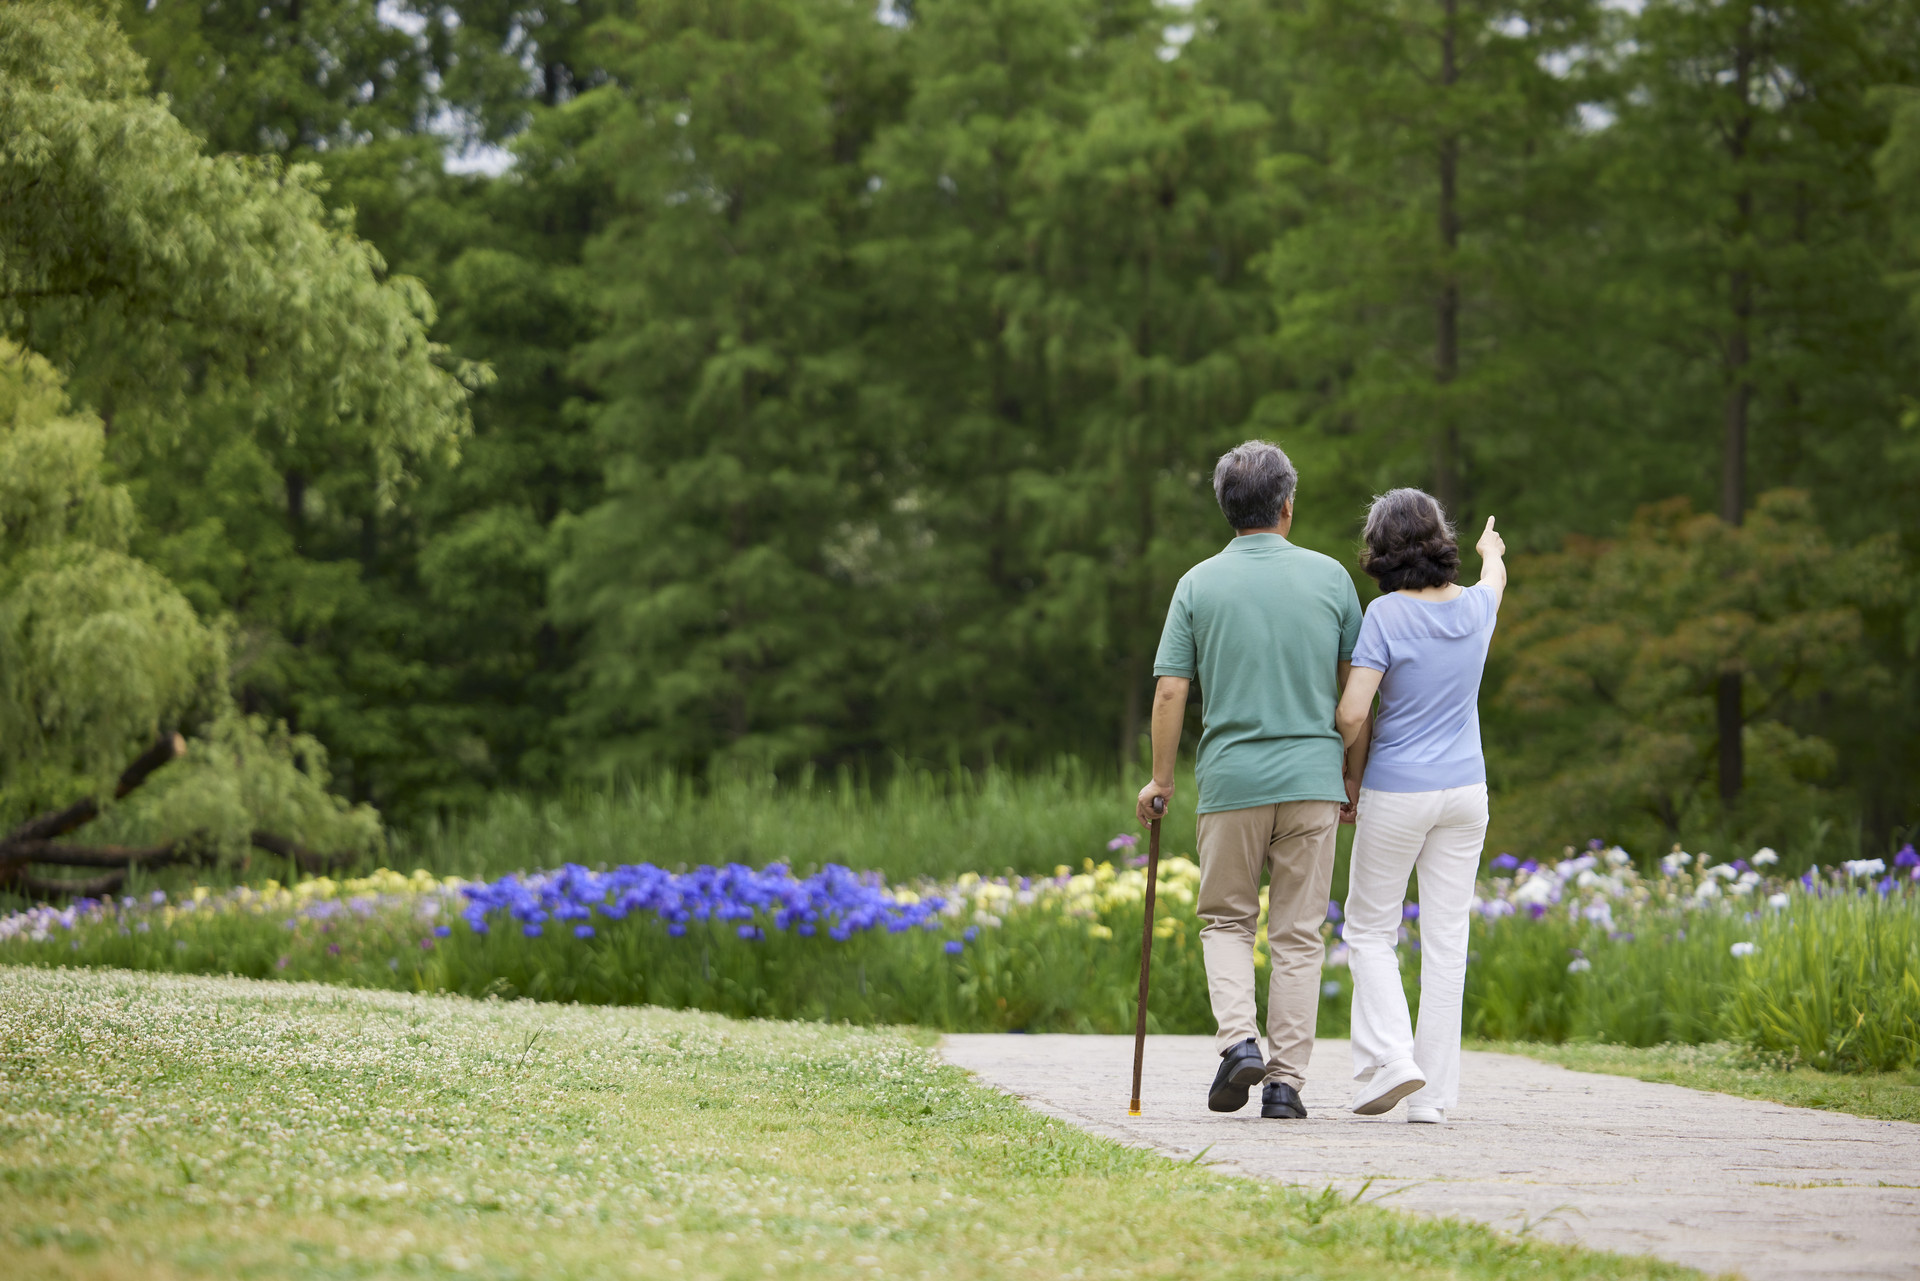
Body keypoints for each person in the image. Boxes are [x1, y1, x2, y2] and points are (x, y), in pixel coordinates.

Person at [1137, 441, 1362, 1119]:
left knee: (1227, 920)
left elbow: (1172, 691)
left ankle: (1239, 1042)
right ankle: (1287, 1085)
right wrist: (1351, 773)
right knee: (1298, 932)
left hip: (1233, 778)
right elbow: (1357, 691)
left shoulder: (1197, 584)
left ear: (1225, 508)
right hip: (1313, 778)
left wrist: (1161, 780)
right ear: (1287, 507)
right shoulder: (1331, 579)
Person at [1334, 489, 1506, 1123]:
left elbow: (1355, 712)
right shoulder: (1477, 609)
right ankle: (1431, 1100)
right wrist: (1491, 550)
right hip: (1467, 794)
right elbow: (1495, 578)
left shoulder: (1385, 616)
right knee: (1446, 942)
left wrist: (1332, 745)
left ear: (1380, 551)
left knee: (1370, 929)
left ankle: (1393, 1058)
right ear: (1440, 541)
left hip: (1399, 790)